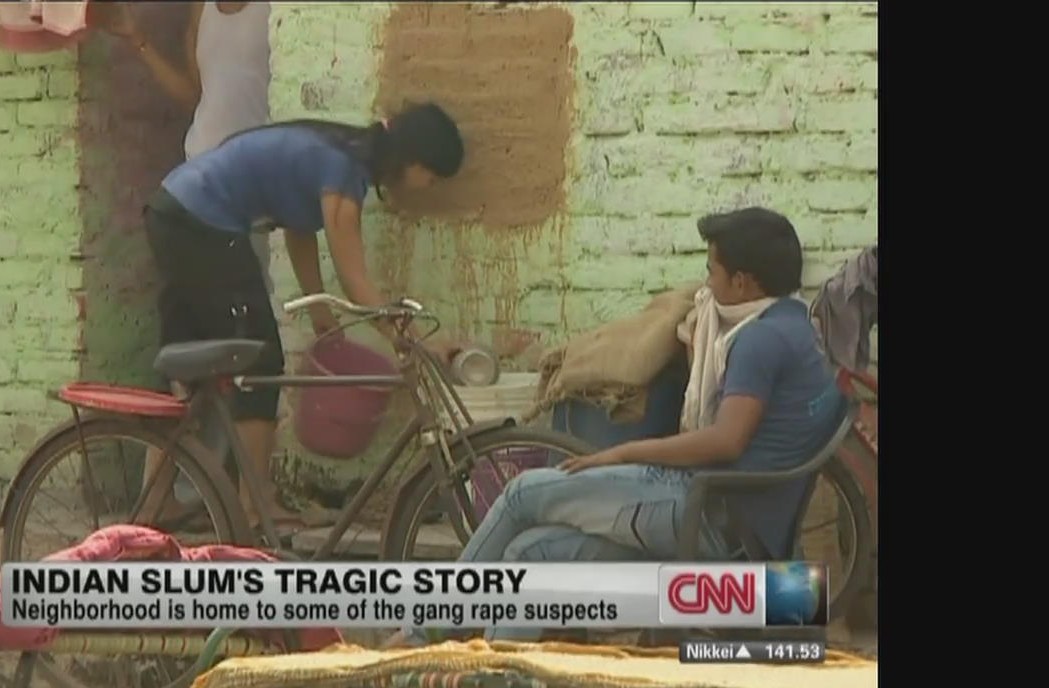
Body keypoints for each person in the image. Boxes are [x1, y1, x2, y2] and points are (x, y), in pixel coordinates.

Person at [386, 207, 843, 649]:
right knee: (528, 555)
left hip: (706, 513)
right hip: (739, 520)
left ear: (742, 282)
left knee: (523, 493)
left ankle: (420, 633)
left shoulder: (760, 341)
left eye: (712, 272)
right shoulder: (795, 323)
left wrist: (625, 453)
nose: (707, 283)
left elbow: (726, 441)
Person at [140, 103, 465, 533]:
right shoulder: (344, 171)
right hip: (204, 224)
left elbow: (299, 227)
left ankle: (152, 507)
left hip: (173, 211)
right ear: (414, 160)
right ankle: (256, 509)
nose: (428, 187)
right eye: (432, 176)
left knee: (183, 365)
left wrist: (318, 311)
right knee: (259, 364)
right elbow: (357, 284)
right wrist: (418, 341)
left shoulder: (339, 153)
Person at [105, 1, 274, 292]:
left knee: (258, 287)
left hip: (257, 173)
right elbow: (192, 95)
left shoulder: (274, 10)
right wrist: (138, 40)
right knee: (208, 287)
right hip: (202, 163)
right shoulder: (202, 8)